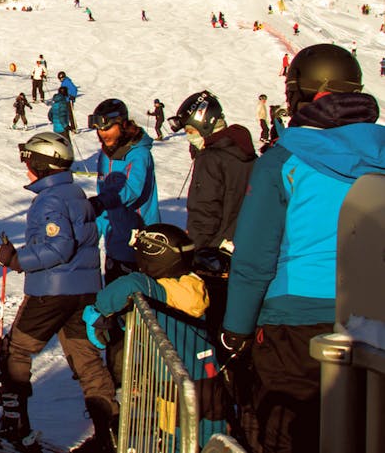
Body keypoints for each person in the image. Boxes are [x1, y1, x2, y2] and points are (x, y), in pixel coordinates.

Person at [221, 44, 385, 453]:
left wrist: (236, 328)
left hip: (296, 323)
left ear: (298, 93)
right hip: (375, 317)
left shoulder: (285, 159)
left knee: (291, 429)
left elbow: (255, 256)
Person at [0, 133, 118, 453]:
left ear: (42, 165)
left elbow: (59, 247)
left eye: (29, 162)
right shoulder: (74, 192)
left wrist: (17, 259)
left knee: (15, 351)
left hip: (53, 291)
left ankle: (14, 427)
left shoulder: (49, 200)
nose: (26, 169)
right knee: (85, 358)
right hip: (84, 290)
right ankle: (109, 436)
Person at [82, 224, 227, 449]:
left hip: (174, 383)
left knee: (174, 441)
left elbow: (130, 283)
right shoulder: (190, 286)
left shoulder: (159, 291)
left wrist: (98, 311)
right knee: (214, 441)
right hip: (209, 376)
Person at [167, 91, 256, 335]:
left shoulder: (211, 158)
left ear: (204, 124)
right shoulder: (245, 154)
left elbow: (204, 211)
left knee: (213, 327)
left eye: (190, 131)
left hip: (214, 258)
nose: (189, 138)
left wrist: (193, 252)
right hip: (242, 251)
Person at [88, 99, 160, 384]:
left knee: (137, 317)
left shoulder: (138, 155)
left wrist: (100, 202)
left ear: (123, 123)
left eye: (108, 127)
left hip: (140, 246)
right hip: (116, 246)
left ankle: (141, 382)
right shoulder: (104, 156)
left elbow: (130, 192)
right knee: (114, 314)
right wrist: (97, 232)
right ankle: (120, 383)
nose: (103, 133)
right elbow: (103, 196)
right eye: (98, 128)